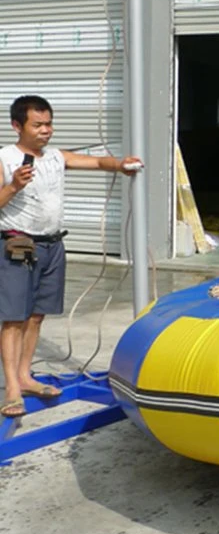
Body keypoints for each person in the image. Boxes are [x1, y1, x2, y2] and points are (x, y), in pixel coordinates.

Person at [0, 95, 143, 418]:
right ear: (17, 126)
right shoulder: (6, 159)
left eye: (49, 124)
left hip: (52, 246)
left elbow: (94, 162)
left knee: (37, 315)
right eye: (37, 125)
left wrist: (122, 164)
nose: (45, 131)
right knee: (13, 318)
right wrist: (13, 187)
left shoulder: (54, 157)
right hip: (17, 245)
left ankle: (25, 377)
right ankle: (11, 387)